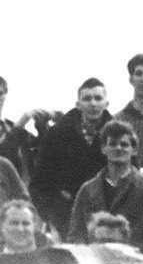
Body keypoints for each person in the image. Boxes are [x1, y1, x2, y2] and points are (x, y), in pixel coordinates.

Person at [27, 79, 114, 236]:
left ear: (106, 103)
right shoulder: (58, 134)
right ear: (78, 104)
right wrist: (53, 216)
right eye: (87, 99)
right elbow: (39, 183)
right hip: (67, 217)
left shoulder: (118, 134)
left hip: (109, 219)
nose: (93, 104)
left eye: (98, 98)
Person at [65, 120, 143, 244]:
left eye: (124, 144)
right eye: (113, 144)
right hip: (95, 259)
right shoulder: (87, 190)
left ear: (134, 150)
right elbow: (76, 234)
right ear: (103, 149)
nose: (118, 148)